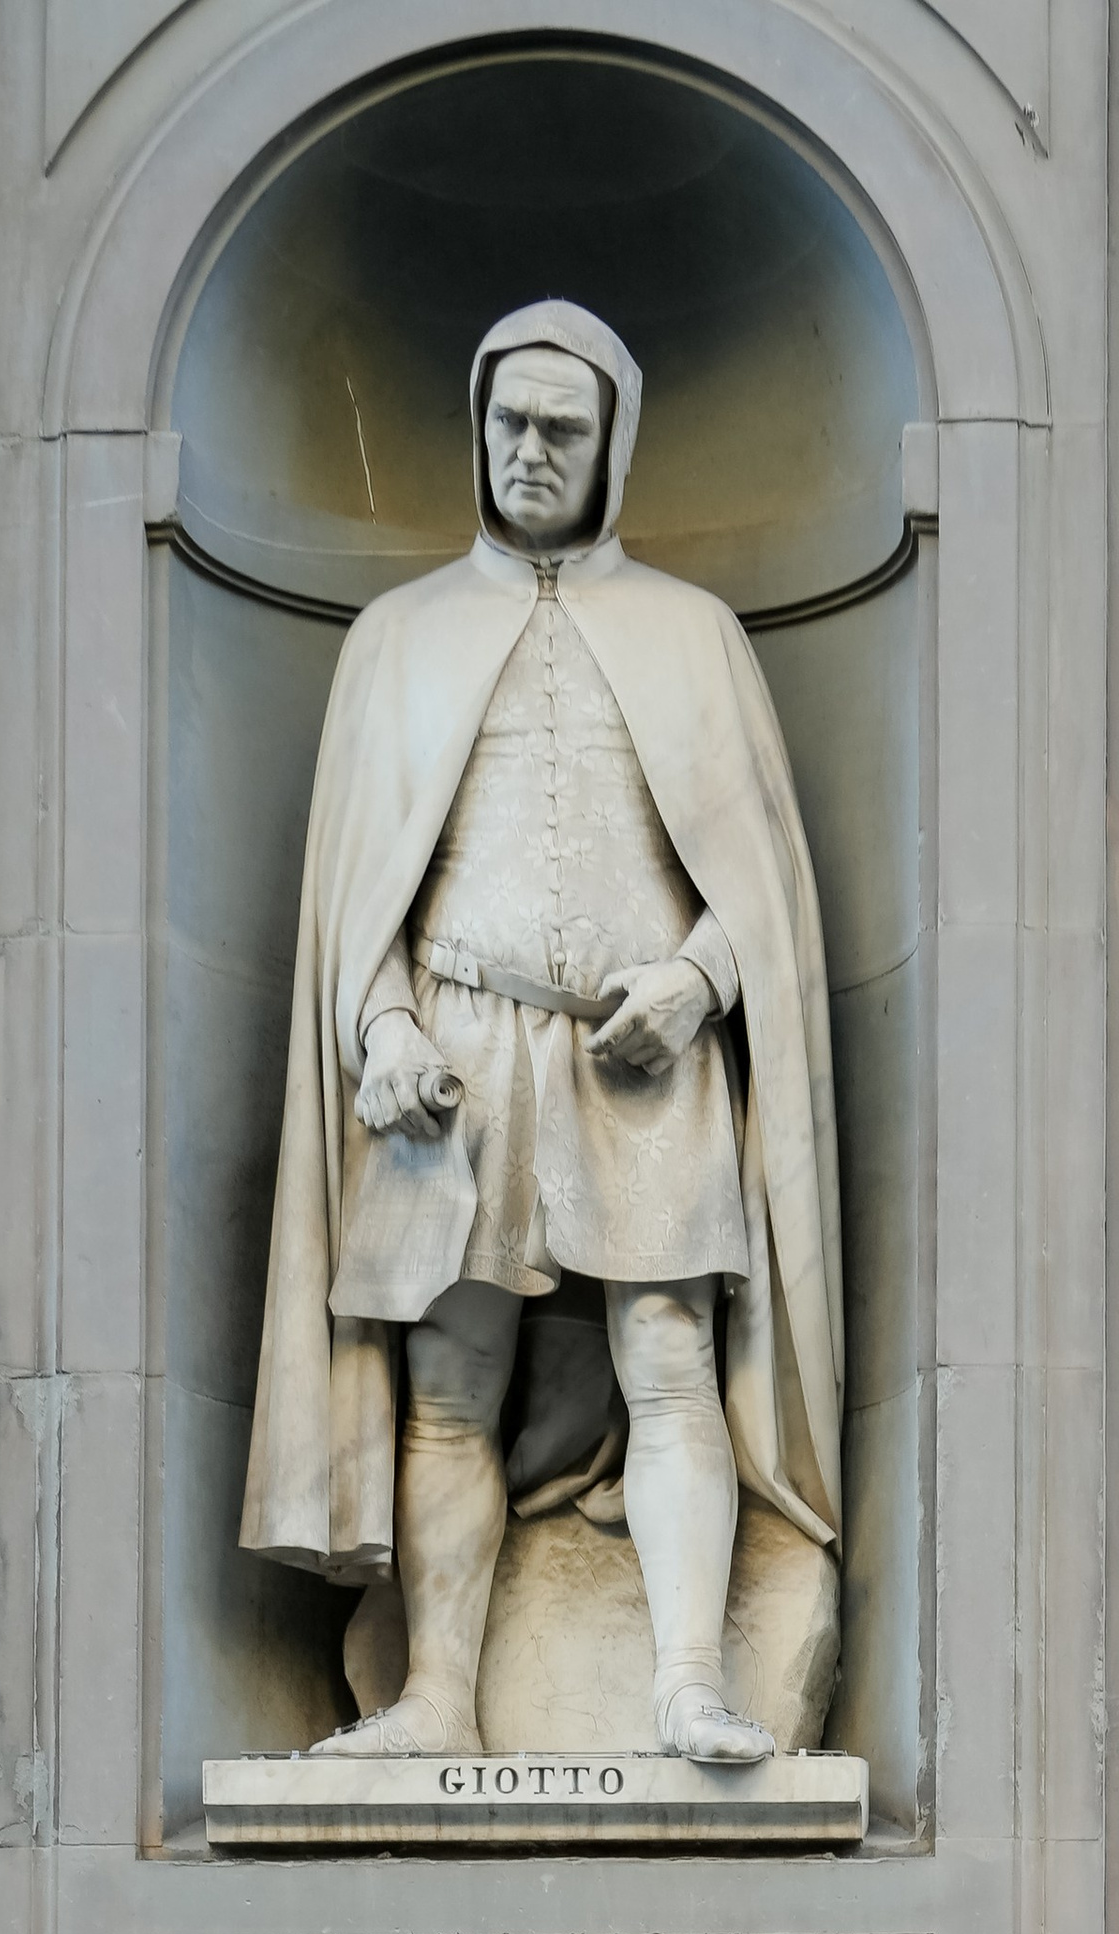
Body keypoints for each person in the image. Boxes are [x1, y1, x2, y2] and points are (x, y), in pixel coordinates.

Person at [243, 299, 843, 1766]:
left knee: (667, 1350)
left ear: (611, 448)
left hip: (643, 1054)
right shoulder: (397, 638)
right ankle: (438, 1695)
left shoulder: (694, 634)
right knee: (450, 1386)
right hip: (456, 1048)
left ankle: (692, 1682)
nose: (527, 451)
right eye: (507, 423)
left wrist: (700, 981)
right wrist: (377, 1026)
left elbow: (759, 872)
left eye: (560, 430)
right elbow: (356, 881)